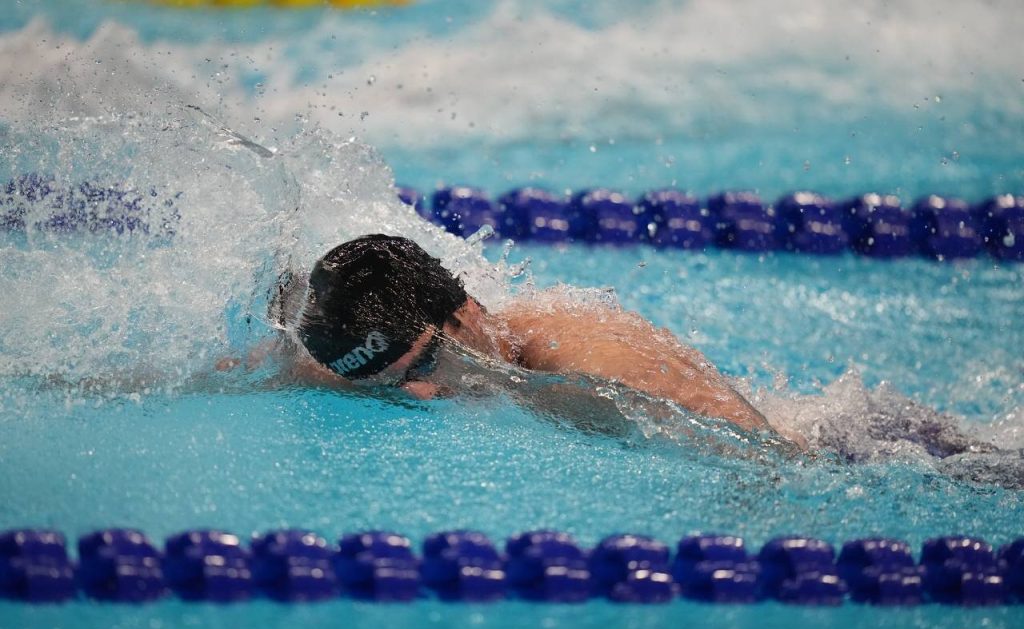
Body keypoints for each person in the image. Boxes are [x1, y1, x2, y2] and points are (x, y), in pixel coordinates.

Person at [248, 233, 798, 444]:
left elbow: (770, 450)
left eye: (423, 369)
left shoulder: (584, 359)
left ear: (466, 313)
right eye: (387, 386)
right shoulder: (379, 357)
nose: (417, 393)